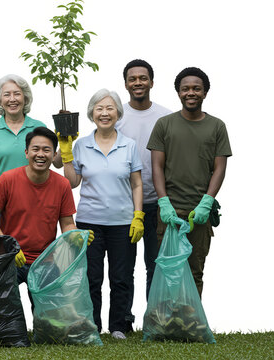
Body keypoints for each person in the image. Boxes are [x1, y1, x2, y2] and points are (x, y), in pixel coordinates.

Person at [60, 89, 144, 340]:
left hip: (122, 222)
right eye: (99, 108)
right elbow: (72, 182)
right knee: (91, 277)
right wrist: (66, 154)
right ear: (91, 113)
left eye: (109, 108)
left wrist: (138, 215)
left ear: (118, 112)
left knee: (121, 277)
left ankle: (119, 326)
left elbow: (137, 184)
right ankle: (92, 325)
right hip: (89, 222)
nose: (105, 113)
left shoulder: (128, 145)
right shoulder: (81, 145)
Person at [0, 126, 89, 308]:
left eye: (46, 150)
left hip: (45, 261)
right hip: (11, 259)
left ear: (54, 154)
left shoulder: (62, 185)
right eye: (35, 149)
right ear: (26, 153)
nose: (41, 154)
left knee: (50, 324)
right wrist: (8, 246)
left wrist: (76, 235)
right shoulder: (8, 179)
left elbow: (67, 223)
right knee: (2, 316)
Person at [147, 67, 231, 297]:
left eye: (196, 88)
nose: (190, 93)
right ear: (178, 93)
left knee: (195, 270)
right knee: (167, 269)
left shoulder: (217, 126)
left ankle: (192, 326)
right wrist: (164, 203)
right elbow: (157, 166)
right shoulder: (164, 125)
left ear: (205, 93)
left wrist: (207, 202)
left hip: (199, 215)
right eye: (185, 89)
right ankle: (164, 324)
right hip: (169, 213)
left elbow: (220, 168)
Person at [115, 59, 171, 318]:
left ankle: (156, 318)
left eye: (143, 78)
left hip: (158, 203)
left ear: (151, 81)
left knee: (156, 265)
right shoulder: (117, 117)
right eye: (132, 79)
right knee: (124, 268)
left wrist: (166, 201)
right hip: (124, 205)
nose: (138, 83)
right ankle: (123, 321)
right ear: (125, 83)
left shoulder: (166, 116)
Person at [0, 74, 46, 233]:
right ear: (0, 100)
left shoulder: (39, 128)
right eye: (7, 94)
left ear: (25, 98)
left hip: (32, 203)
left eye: (17, 94)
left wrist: (66, 146)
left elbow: (53, 162)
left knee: (31, 255)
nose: (12, 99)